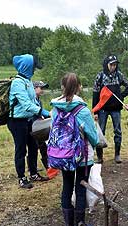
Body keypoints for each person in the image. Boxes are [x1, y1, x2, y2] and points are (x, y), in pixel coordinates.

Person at [50, 73, 98, 226]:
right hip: (83, 156)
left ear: (62, 87)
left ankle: (68, 222)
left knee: (67, 186)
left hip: (63, 155)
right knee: (81, 187)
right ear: (79, 87)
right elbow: (93, 137)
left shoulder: (55, 109)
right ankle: (80, 222)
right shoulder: (82, 110)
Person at [7, 54, 49, 189]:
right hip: (17, 121)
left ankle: (34, 173)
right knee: (21, 149)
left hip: (29, 120)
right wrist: (42, 112)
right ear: (27, 67)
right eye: (33, 67)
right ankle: (21, 178)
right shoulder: (17, 83)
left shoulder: (28, 81)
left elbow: (33, 101)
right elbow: (26, 104)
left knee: (33, 147)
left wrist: (42, 111)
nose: (34, 70)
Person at [92, 55, 128, 164]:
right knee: (100, 132)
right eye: (111, 64)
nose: (113, 67)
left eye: (115, 64)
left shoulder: (119, 75)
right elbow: (95, 94)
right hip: (103, 109)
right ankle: (100, 157)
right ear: (107, 64)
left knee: (117, 131)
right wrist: (95, 111)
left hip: (116, 109)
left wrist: (121, 96)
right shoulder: (100, 76)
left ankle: (117, 155)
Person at [32, 81, 50, 170]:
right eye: (41, 88)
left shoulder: (38, 99)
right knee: (35, 146)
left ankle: (47, 165)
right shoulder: (32, 99)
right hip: (32, 126)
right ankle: (34, 168)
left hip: (37, 126)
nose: (42, 90)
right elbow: (37, 110)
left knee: (41, 145)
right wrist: (49, 114)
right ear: (34, 89)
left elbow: (40, 111)